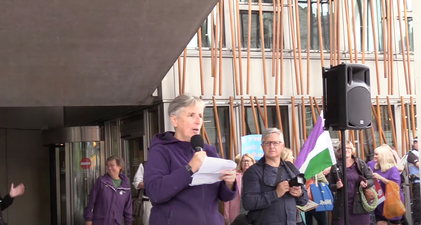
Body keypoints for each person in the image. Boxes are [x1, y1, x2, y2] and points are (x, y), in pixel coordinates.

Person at [144, 94, 237, 225]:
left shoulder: (209, 151)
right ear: (174, 120)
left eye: (200, 115)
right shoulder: (161, 150)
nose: (198, 121)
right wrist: (189, 169)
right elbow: (155, 192)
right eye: (191, 115)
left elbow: (224, 196)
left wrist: (229, 184)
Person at [242, 128, 308, 225]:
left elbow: (304, 200)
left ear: (282, 146)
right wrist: (276, 194)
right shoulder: (253, 171)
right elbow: (248, 202)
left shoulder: (291, 168)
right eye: (268, 143)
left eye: (276, 143)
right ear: (262, 146)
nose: (272, 146)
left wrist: (299, 194)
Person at [330, 141, 374, 225]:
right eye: (344, 148)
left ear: (352, 150)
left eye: (348, 148)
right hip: (342, 205)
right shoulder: (335, 166)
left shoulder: (360, 163)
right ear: (339, 150)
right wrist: (337, 186)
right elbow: (331, 185)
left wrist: (366, 183)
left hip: (359, 204)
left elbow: (371, 179)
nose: (346, 150)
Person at [84, 156, 133, 225]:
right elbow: (92, 201)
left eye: (112, 165)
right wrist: (89, 219)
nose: (109, 168)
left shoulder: (125, 186)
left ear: (120, 166)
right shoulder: (101, 181)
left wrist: (128, 223)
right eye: (108, 166)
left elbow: (128, 208)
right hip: (100, 222)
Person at [368, 144, 404, 225]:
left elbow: (395, 185)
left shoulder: (393, 169)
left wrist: (380, 178)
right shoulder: (371, 165)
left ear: (383, 155)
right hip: (380, 201)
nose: (374, 156)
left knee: (395, 222)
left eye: (376, 154)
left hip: (392, 201)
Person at [224, 153, 256, 224]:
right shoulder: (234, 176)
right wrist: (226, 216)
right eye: (243, 161)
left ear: (253, 162)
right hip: (237, 212)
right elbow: (227, 198)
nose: (246, 163)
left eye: (248, 161)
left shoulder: (257, 176)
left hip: (252, 213)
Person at [406, 137, 420, 225]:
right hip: (417, 183)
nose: (416, 144)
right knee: (418, 205)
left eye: (417, 142)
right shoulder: (411, 154)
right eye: (415, 142)